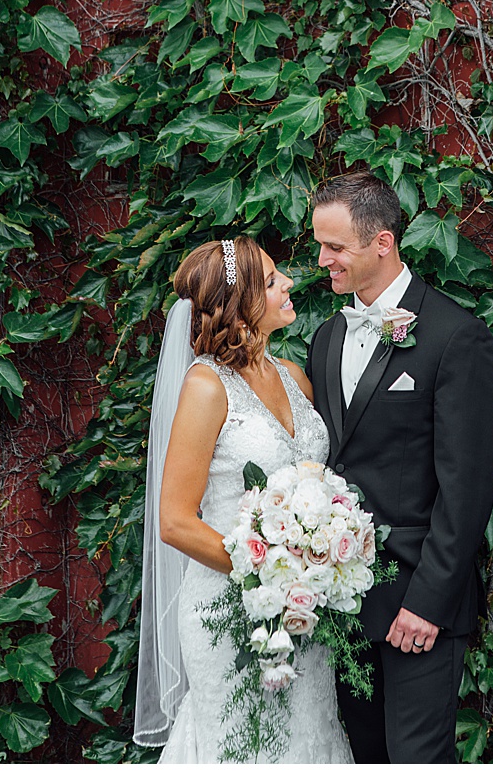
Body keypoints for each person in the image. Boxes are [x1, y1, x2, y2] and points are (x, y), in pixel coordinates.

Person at [304, 170, 493, 763]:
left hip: (418, 603)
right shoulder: (325, 338)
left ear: (383, 242)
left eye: (336, 248)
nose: (322, 261)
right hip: (341, 605)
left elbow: (466, 490)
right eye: (320, 245)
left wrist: (427, 604)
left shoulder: (455, 337)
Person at [136, 235, 352, 762]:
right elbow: (174, 521)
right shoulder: (207, 387)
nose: (290, 283)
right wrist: (269, 576)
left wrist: (312, 567)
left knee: (309, 734)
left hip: (304, 609)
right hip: (228, 611)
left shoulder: (294, 376)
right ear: (243, 302)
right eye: (274, 280)